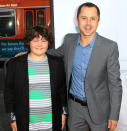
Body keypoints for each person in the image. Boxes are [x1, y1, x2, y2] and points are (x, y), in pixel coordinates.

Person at [47, 2, 122, 131]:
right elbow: (55, 53)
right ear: (77, 20)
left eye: (93, 19)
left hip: (100, 111)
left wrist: (114, 115)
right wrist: (31, 53)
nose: (88, 23)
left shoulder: (109, 47)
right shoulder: (69, 40)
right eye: (84, 18)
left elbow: (115, 85)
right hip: (74, 109)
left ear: (98, 21)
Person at [4, 25, 67, 131]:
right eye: (35, 40)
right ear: (29, 42)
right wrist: (12, 119)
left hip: (51, 123)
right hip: (25, 123)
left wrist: (64, 113)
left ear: (49, 43)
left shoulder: (57, 63)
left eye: (44, 41)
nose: (39, 44)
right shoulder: (15, 64)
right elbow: (9, 93)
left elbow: (62, 91)